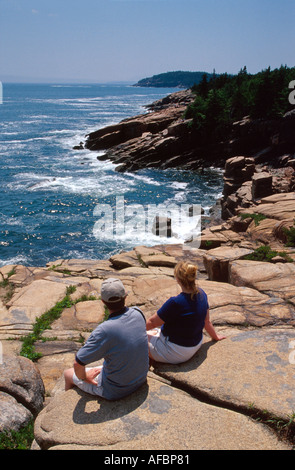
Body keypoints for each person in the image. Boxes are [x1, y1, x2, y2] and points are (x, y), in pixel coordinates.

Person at [64, 278, 149, 400]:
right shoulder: (137, 312)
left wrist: (84, 377)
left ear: (103, 301)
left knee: (67, 374)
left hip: (115, 390)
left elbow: (78, 363)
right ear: (125, 297)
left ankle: (65, 404)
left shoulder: (104, 330)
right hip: (140, 379)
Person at [146, 261, 226, 364]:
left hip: (176, 352)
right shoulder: (202, 294)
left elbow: (152, 322)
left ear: (178, 279)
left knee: (135, 338)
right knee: (153, 332)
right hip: (195, 344)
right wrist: (215, 337)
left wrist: (134, 332)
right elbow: (207, 322)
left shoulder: (175, 302)